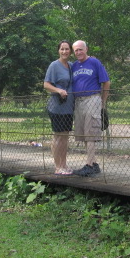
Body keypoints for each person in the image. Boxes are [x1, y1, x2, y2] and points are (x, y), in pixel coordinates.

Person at [71, 40, 110, 177]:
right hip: (79, 101)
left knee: (91, 133)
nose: (78, 52)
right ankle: (93, 164)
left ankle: (89, 165)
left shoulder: (94, 62)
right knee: (83, 135)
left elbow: (106, 82)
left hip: (92, 99)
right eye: (75, 50)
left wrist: (102, 102)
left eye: (80, 49)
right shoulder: (74, 66)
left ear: (86, 49)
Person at [43, 40, 75, 175]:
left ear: (70, 51)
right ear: (58, 51)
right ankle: (58, 167)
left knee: (65, 137)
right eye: (62, 49)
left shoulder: (72, 66)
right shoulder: (54, 66)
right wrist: (58, 90)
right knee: (58, 136)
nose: (64, 51)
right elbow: (46, 84)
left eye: (67, 49)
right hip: (57, 107)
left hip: (69, 107)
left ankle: (64, 165)